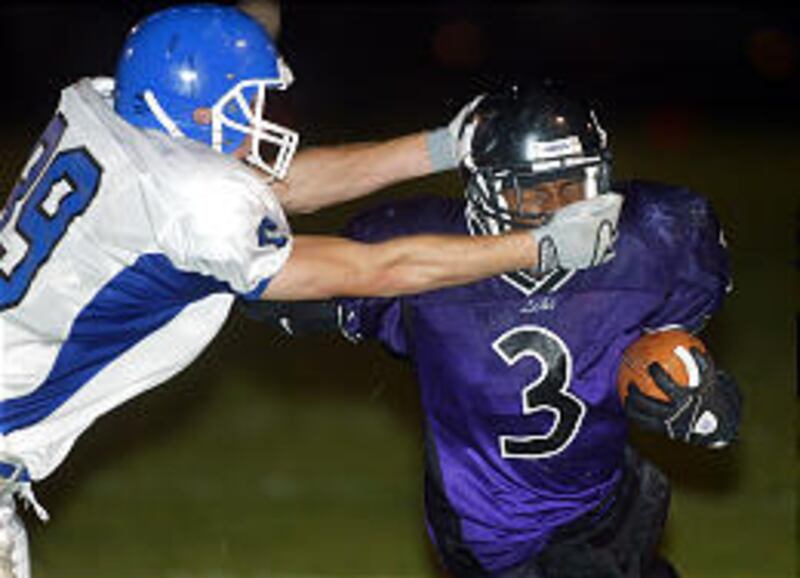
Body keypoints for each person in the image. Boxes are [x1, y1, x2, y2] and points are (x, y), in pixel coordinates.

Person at [0, 6, 624, 578]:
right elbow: (372, 271)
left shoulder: (107, 112)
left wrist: (442, 146)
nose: (260, 120)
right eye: (245, 104)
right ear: (192, 107)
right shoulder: (191, 204)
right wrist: (536, 247)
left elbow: (272, 188)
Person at [243, 82, 743, 578]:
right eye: (532, 192)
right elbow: (282, 289)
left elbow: (676, 348)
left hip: (601, 505)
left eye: (574, 186)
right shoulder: (421, 259)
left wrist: (696, 389)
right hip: (484, 526)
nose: (560, 209)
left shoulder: (654, 237)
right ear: (482, 190)